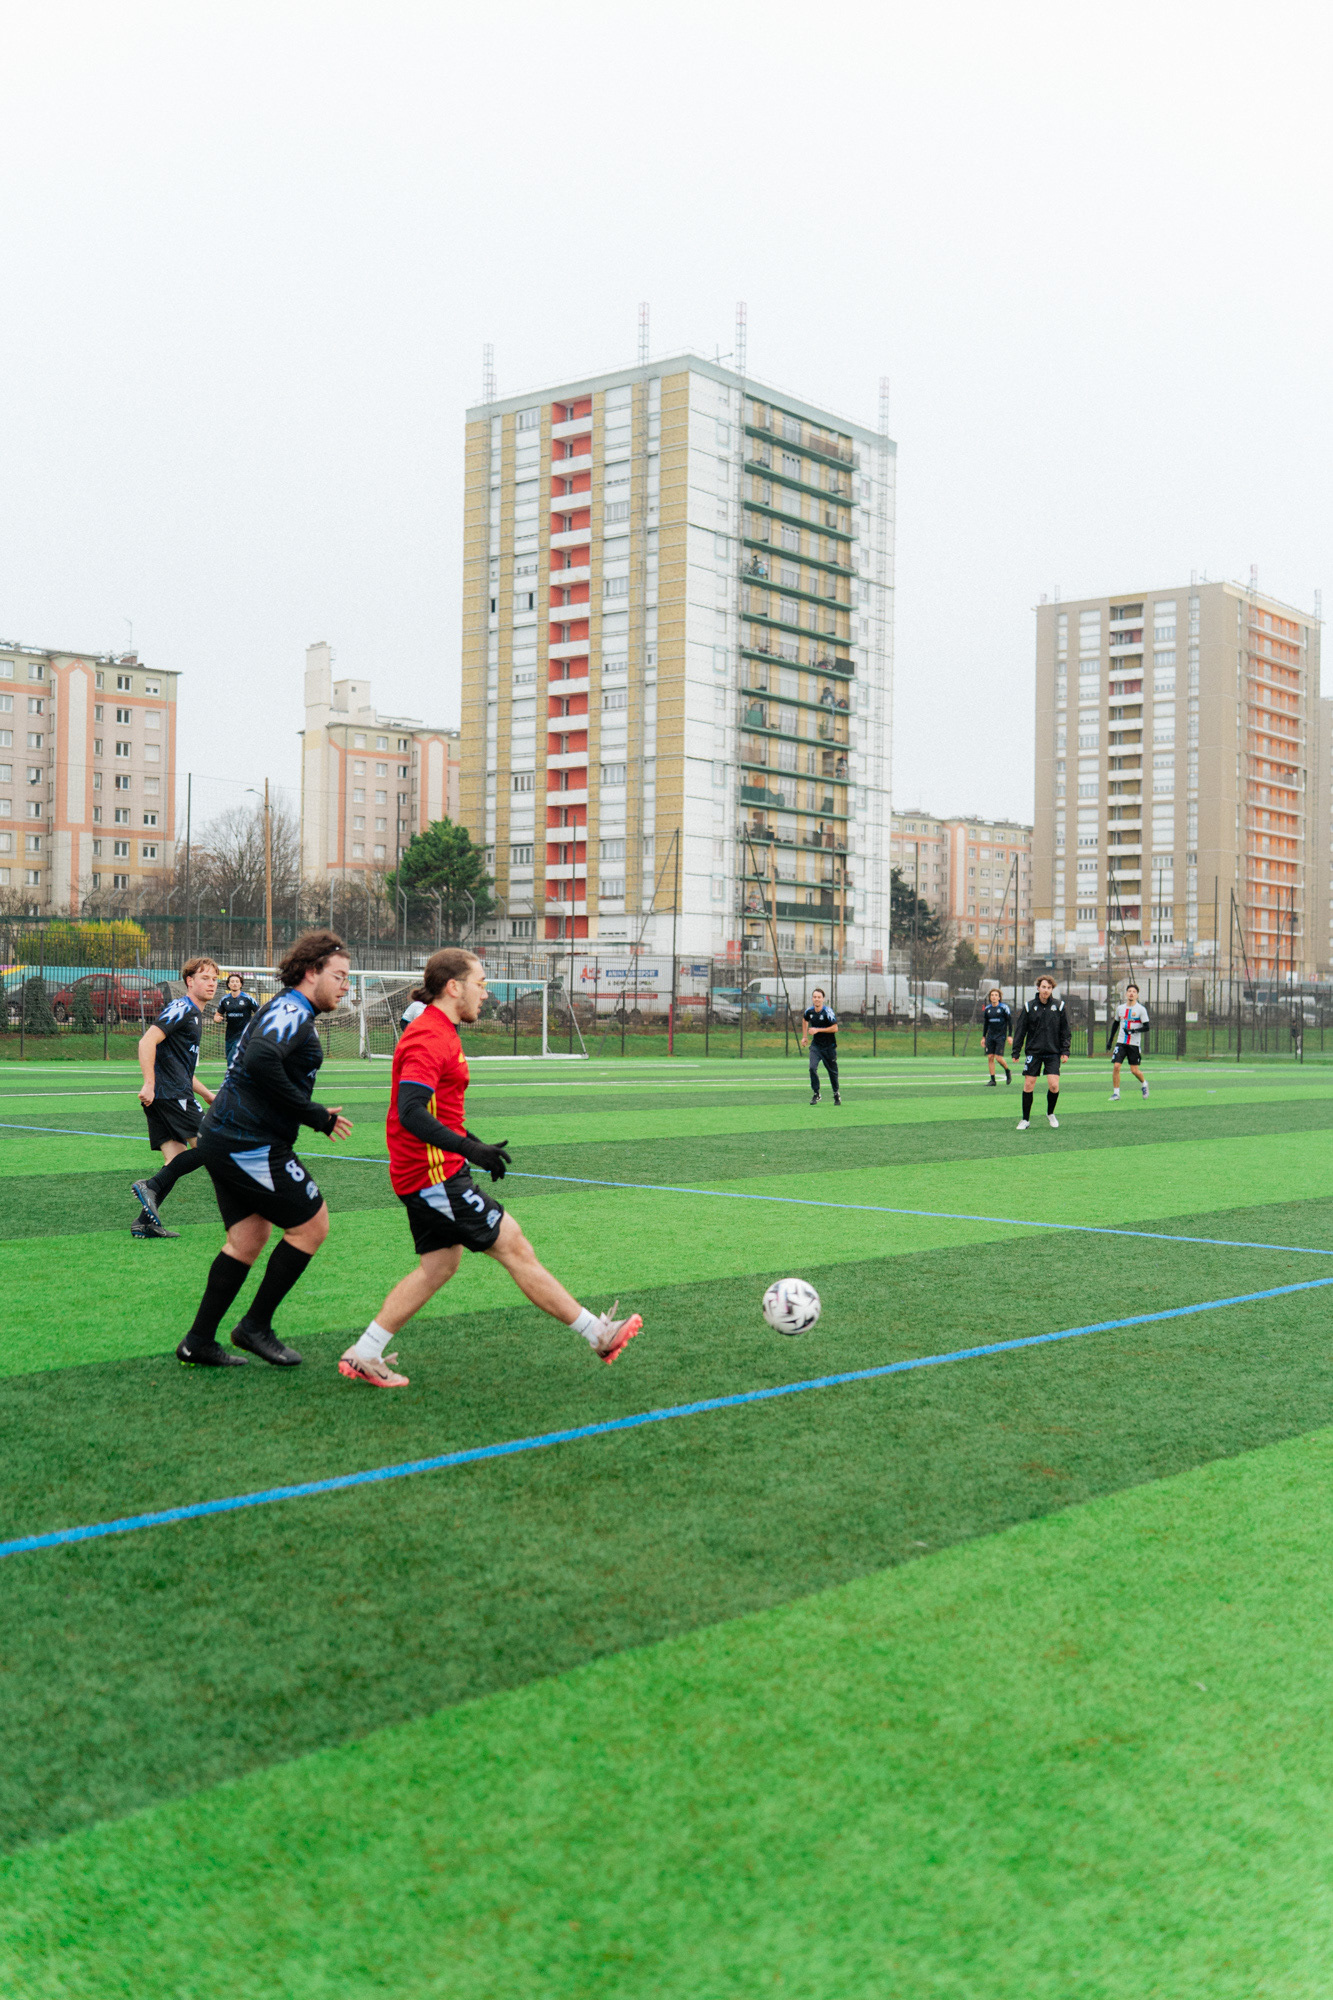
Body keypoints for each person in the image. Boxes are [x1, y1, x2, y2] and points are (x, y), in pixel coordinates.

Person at [339, 948, 642, 1388]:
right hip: (432, 1176)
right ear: (453, 987)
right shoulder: (429, 1036)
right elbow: (410, 1110)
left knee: (438, 1267)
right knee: (513, 1245)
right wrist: (468, 1148)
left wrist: (473, 1146)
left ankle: (364, 1352)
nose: (486, 992)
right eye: (481, 983)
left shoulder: (440, 1030)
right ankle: (598, 1334)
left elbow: (438, 1111)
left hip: (430, 1171)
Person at [175, 930, 353, 1368]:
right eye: (339, 976)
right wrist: (314, 1114)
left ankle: (198, 1341)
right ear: (311, 972)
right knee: (312, 1227)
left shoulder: (290, 1008)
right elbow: (260, 1059)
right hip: (246, 1140)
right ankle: (255, 1327)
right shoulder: (292, 1009)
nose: (346, 986)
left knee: (247, 1239)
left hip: (226, 1135)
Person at [130, 957, 220, 1240]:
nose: (212, 984)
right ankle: (150, 1186)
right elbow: (146, 1041)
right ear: (189, 982)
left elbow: (180, 1067)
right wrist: (149, 1083)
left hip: (167, 1094)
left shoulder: (194, 1014)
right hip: (171, 1095)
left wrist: (207, 1094)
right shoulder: (182, 1008)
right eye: (205, 978)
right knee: (212, 1147)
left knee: (176, 1159)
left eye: (214, 979)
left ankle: (143, 1223)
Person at [1010, 974, 1071, 1130]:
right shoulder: (1029, 1006)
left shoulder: (1059, 1006)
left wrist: (1065, 1050)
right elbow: (1021, 1030)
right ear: (1038, 988)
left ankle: (1050, 1113)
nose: (1046, 990)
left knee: (1054, 1085)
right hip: (1034, 1052)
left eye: (1049, 988)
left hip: (1053, 1052)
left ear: (1052, 989)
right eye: (1043, 987)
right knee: (1028, 1084)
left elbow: (1065, 1031)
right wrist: (1016, 1051)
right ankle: (1025, 1119)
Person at [1107, 982, 1150, 1100]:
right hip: (1121, 1042)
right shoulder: (1120, 1008)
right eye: (1129, 991)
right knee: (1116, 1066)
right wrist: (1110, 1040)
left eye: (1134, 992)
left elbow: (1147, 1027)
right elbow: (1115, 1024)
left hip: (1134, 1044)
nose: (1131, 993)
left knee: (1134, 1070)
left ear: (1137, 995)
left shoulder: (1141, 1009)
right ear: (1126, 994)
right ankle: (1116, 1093)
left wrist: (1133, 1031)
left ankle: (1144, 1084)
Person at [801, 987, 840, 1105]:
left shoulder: (828, 1012)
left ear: (823, 999)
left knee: (832, 1072)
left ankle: (836, 1093)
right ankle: (816, 1093)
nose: (816, 999)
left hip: (829, 1047)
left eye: (819, 997)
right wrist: (805, 1036)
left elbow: (835, 1028)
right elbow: (804, 1020)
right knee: (812, 1068)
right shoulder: (809, 1011)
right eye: (814, 997)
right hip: (816, 1046)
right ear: (812, 998)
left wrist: (817, 1030)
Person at [213, 972, 259, 1068]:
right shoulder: (224, 1000)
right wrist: (217, 1019)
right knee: (230, 1060)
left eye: (237, 981)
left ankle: (233, 1076)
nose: (235, 983)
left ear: (241, 984)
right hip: (229, 1035)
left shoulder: (248, 999)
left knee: (232, 1059)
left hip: (243, 1035)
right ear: (228, 984)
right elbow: (217, 1015)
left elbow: (259, 1013)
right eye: (232, 981)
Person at [980, 986, 1013, 1086]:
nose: (994, 997)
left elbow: (1010, 1022)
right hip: (990, 1036)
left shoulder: (1004, 1008)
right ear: (990, 997)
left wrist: (1009, 1035)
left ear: (999, 997)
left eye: (996, 995)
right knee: (990, 1057)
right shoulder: (987, 1009)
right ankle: (993, 1080)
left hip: (1000, 1036)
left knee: (998, 1058)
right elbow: (986, 1024)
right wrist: (983, 1037)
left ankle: (1007, 1071)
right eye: (992, 995)